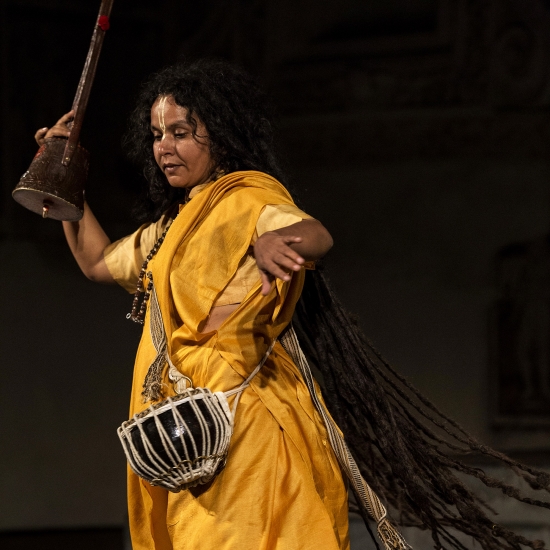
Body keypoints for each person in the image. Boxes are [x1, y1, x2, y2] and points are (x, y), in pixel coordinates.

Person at [36, 59, 550, 550]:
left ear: (221, 134)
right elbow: (98, 262)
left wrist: (272, 243)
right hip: (185, 434)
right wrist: (63, 178)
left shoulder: (249, 199)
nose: (164, 147)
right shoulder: (172, 227)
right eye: (156, 134)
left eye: (181, 132)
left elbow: (314, 234)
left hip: (247, 429)